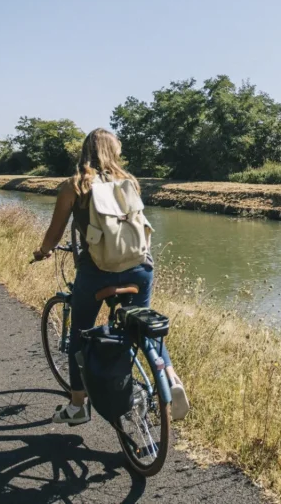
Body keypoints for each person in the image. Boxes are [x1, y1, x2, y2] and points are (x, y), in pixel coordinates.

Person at [34, 128, 189, 425]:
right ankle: (169, 378)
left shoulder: (73, 186)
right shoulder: (130, 182)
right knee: (142, 325)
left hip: (97, 272)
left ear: (85, 151)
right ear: (114, 151)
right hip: (140, 267)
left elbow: (54, 234)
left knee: (81, 334)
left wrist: (43, 252)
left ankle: (78, 405)